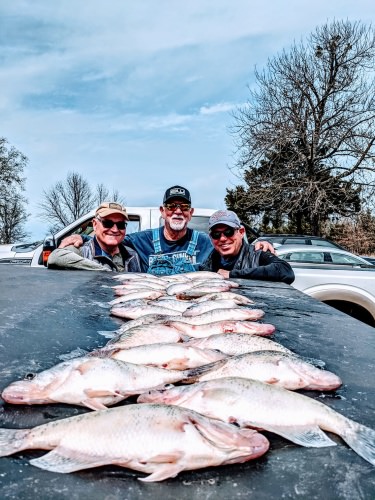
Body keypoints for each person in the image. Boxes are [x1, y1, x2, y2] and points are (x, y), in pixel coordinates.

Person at [59, 185, 276, 275]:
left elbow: (233, 247)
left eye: (183, 207)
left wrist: (256, 246)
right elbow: (111, 238)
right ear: (163, 211)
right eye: (172, 206)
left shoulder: (207, 241)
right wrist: (83, 236)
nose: (178, 212)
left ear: (190, 213)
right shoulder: (141, 240)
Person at [200, 209, 295, 284]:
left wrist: (231, 274)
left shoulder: (257, 253)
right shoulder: (208, 262)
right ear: (211, 237)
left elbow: (285, 271)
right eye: (216, 234)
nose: (223, 238)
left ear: (241, 232)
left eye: (229, 232)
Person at [47, 202, 142, 272]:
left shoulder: (132, 255)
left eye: (120, 225)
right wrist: (104, 271)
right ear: (95, 225)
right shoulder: (81, 250)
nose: (115, 229)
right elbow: (54, 258)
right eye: (108, 223)